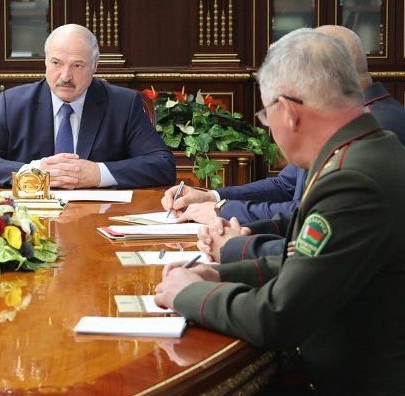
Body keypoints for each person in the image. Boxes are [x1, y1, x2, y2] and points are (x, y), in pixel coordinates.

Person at [154, 30, 405, 393]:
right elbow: (308, 264)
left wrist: (185, 294)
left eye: (265, 114)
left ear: (287, 112)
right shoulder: (373, 150)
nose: (268, 126)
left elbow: (279, 317)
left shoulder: (352, 180)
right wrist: (217, 275)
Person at [162, 25, 405, 262]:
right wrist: (212, 197)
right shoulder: (355, 120)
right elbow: (286, 185)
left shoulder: (369, 128)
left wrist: (233, 237)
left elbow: (309, 232)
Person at [0, 24, 175, 189]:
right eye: (56, 63)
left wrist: (98, 173)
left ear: (94, 66)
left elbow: (162, 165)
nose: (65, 76)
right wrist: (33, 172)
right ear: (45, 62)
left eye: (77, 65)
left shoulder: (123, 104)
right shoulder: (14, 103)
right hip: (31, 222)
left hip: (98, 219)